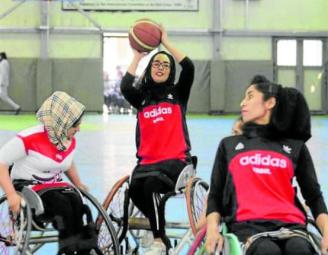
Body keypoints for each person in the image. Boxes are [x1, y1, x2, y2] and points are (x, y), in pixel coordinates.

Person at [205, 75, 328, 255]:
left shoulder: (294, 147)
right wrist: (212, 230)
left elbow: (314, 197)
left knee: (299, 249)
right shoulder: (229, 145)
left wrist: (326, 232)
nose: (242, 103)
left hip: (292, 227)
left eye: (250, 96)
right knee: (267, 251)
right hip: (249, 228)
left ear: (269, 102)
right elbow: (215, 194)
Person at [120, 25, 195, 255]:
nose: (160, 67)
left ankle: (159, 241)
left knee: (151, 186)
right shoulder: (142, 98)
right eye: (156, 63)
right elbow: (125, 86)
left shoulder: (178, 93)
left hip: (176, 162)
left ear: (170, 70)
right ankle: (158, 233)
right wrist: (137, 56)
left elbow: (189, 66)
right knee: (134, 189)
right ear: (149, 69)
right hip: (147, 163)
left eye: (165, 64)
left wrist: (165, 41)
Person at [0, 91, 98, 255]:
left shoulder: (68, 140)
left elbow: (67, 162)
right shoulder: (29, 138)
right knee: (63, 206)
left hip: (53, 186)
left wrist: (78, 183)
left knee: (77, 202)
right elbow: (1, 162)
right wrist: (10, 195)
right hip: (27, 188)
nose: (79, 129)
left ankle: (81, 249)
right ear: (62, 122)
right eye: (75, 125)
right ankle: (69, 250)